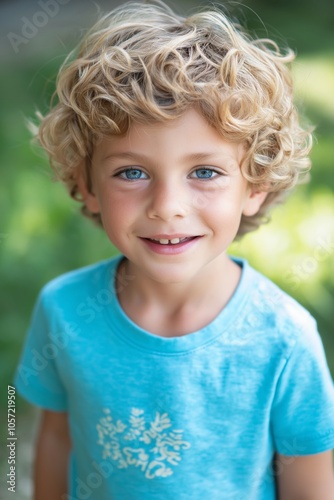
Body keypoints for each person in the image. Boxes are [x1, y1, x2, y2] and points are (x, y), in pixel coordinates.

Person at [14, 1, 334, 499]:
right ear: (87, 183)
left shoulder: (284, 341)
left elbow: (310, 485)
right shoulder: (64, 309)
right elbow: (53, 438)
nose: (168, 207)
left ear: (255, 185)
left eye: (204, 172)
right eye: (132, 172)